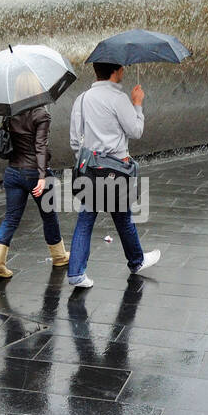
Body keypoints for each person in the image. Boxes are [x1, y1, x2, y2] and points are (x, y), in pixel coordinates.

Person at [65, 62, 160, 288]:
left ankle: (77, 273)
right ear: (115, 72)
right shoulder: (118, 100)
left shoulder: (82, 99)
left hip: (89, 170)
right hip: (116, 170)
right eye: (122, 68)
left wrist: (89, 160)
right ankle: (136, 261)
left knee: (87, 219)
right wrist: (137, 105)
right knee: (123, 216)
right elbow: (135, 131)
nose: (124, 71)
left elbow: (74, 139)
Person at [0, 72, 68, 278]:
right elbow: (40, 147)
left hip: (13, 172)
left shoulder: (10, 113)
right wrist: (42, 177)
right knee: (49, 216)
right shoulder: (41, 114)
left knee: (11, 218)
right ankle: (59, 257)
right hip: (34, 173)